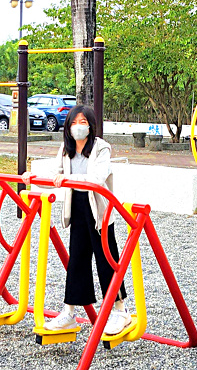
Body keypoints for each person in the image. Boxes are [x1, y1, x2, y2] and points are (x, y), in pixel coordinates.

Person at [44, 105, 131, 336]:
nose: (78, 127)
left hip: (99, 208)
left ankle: (121, 311)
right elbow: (55, 173)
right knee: (77, 259)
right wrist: (31, 177)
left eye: (82, 122)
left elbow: (96, 178)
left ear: (90, 125)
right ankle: (69, 313)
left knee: (106, 258)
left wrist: (66, 178)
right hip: (78, 207)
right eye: (73, 122)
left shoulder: (101, 148)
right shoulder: (66, 148)